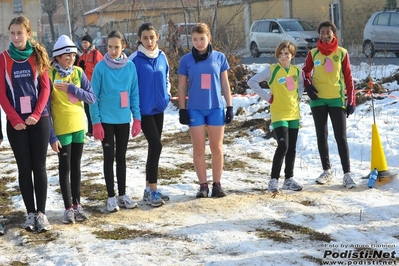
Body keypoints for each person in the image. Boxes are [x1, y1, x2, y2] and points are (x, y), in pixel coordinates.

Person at [0, 16, 51, 232]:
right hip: (16, 123)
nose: (16, 37)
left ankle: (41, 213)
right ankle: (30, 213)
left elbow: (46, 88)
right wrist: (14, 118)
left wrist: (36, 114)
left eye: (20, 33)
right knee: (24, 168)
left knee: (39, 167)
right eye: (12, 33)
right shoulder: (3, 59)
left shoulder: (37, 55)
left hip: (39, 121)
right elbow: (2, 94)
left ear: (28, 34)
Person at [177, 22, 234, 198]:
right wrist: (182, 109)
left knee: (216, 148)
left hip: (216, 108)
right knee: (199, 149)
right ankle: (203, 185)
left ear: (209, 38)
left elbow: (225, 83)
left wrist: (230, 106)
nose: (199, 42)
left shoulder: (219, 58)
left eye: (202, 38)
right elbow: (181, 86)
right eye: (195, 39)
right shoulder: (186, 60)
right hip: (195, 109)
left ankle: (217, 184)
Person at [90, 30, 141, 212]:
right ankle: (111, 196)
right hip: (106, 120)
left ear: (123, 46)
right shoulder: (101, 68)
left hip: (122, 119)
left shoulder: (130, 67)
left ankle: (122, 194)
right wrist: (96, 122)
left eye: (116, 47)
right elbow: (93, 96)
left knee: (121, 157)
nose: (113, 51)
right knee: (108, 157)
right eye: (110, 47)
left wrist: (137, 118)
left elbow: (134, 93)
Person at [302, 21, 356, 189]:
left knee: (340, 136)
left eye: (328, 32)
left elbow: (348, 78)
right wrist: (308, 86)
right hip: (318, 100)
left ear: (334, 34)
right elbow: (305, 72)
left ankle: (347, 174)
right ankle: (326, 170)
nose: (325, 35)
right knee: (321, 135)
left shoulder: (342, 53)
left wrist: (351, 100)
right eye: (322, 32)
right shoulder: (313, 53)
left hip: (336, 99)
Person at [49, 35, 96, 224]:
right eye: (66, 56)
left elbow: (91, 97)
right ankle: (68, 208)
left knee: (76, 166)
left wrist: (72, 89)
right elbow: (45, 107)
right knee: (65, 167)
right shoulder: (50, 74)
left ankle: (77, 205)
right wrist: (51, 135)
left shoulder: (77, 72)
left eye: (72, 55)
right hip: (62, 128)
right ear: (57, 57)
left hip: (79, 127)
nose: (70, 59)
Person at [248, 41, 304, 192]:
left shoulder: (296, 71)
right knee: (283, 146)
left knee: (291, 147)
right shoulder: (271, 70)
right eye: (281, 53)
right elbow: (252, 82)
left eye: (287, 54)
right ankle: (273, 180)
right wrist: (267, 97)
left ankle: (289, 179)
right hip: (279, 114)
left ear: (292, 56)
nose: (283, 56)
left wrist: (299, 96)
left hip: (293, 113)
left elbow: (301, 83)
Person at [129, 23, 171, 207]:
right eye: (145, 37)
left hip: (158, 110)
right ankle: (153, 190)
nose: (149, 41)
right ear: (139, 38)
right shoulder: (134, 59)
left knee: (153, 149)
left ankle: (148, 189)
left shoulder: (162, 57)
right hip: (143, 111)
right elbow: (130, 86)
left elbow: (167, 78)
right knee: (157, 145)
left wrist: (167, 97)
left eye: (152, 37)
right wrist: (135, 111)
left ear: (158, 37)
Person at [78, 34, 103, 137]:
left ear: (90, 43)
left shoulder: (95, 53)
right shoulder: (82, 55)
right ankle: (90, 130)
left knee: (96, 108)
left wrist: (86, 67)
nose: (84, 44)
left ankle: (100, 127)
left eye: (86, 42)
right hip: (85, 86)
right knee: (87, 110)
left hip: (95, 86)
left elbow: (99, 69)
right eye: (83, 42)